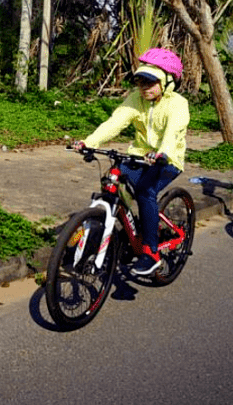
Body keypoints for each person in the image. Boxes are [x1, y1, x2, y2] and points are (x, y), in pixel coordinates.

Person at [72, 48, 190, 276]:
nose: (144, 87)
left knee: (145, 191)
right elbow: (114, 123)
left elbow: (172, 133)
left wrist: (163, 153)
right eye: (140, 81)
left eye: (151, 81)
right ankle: (128, 229)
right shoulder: (136, 99)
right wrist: (89, 142)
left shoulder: (178, 104)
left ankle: (151, 252)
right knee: (111, 180)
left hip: (167, 159)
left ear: (167, 81)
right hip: (138, 156)